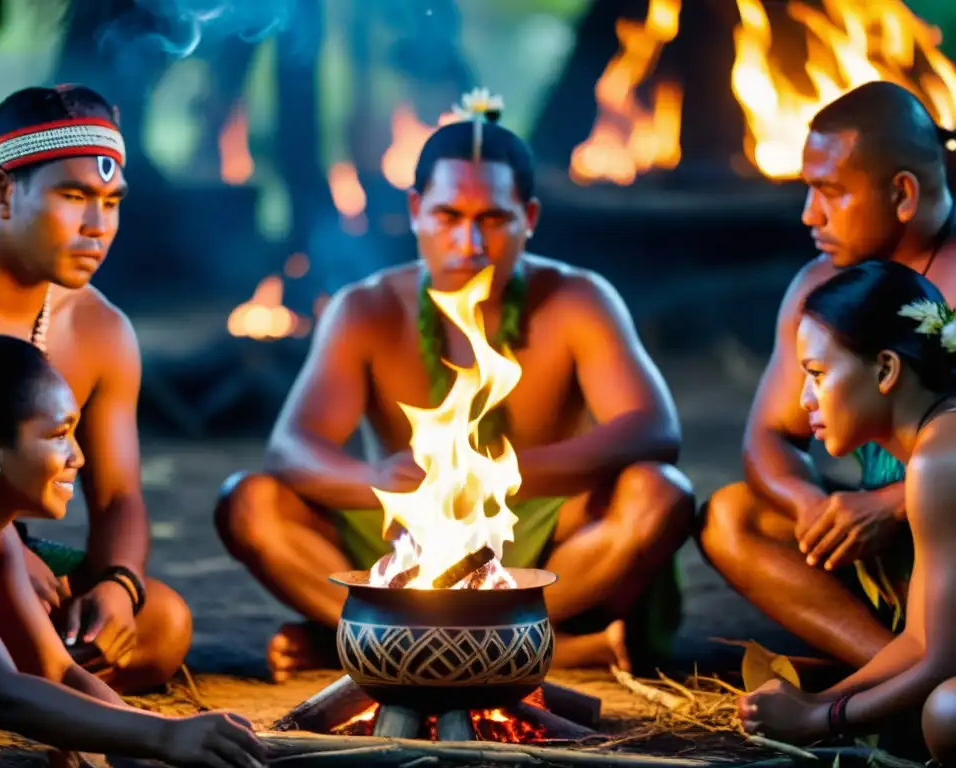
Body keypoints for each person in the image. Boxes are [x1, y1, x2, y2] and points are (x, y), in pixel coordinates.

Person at [215, 89, 694, 681]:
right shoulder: (365, 307)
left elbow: (653, 429)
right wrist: (377, 480)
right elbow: (290, 450)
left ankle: (393, 649)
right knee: (251, 501)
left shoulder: (578, 299)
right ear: (416, 210)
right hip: (403, 532)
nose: (469, 243)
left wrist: (504, 474)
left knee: (659, 494)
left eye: (493, 219)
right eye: (448, 217)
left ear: (530, 219)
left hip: (537, 536)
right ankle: (497, 649)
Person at [0, 85, 192, 693]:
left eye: (110, 201)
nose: (97, 226)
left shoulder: (101, 329)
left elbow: (120, 495)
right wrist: (4, 551)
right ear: (2, 191)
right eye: (73, 196)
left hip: (15, 568)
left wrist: (119, 586)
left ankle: (7, 663)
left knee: (162, 626)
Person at [699, 81, 956, 671]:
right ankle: (894, 672)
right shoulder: (820, 286)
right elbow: (769, 435)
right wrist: (813, 506)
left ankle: (912, 678)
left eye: (829, 191)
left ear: (903, 192)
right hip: (881, 542)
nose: (808, 213)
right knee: (733, 516)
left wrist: (893, 506)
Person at [0, 335, 266, 768]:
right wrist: (164, 735)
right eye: (59, 435)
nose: (79, 457)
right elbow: (2, 693)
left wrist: (135, 739)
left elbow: (56, 670)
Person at [737, 261, 956, 761]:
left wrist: (818, 720)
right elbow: (921, 640)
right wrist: (817, 702)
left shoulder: (941, 459)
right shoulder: (936, 443)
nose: (803, 398)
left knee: (947, 712)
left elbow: (942, 660)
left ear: (885, 370)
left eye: (816, 374)